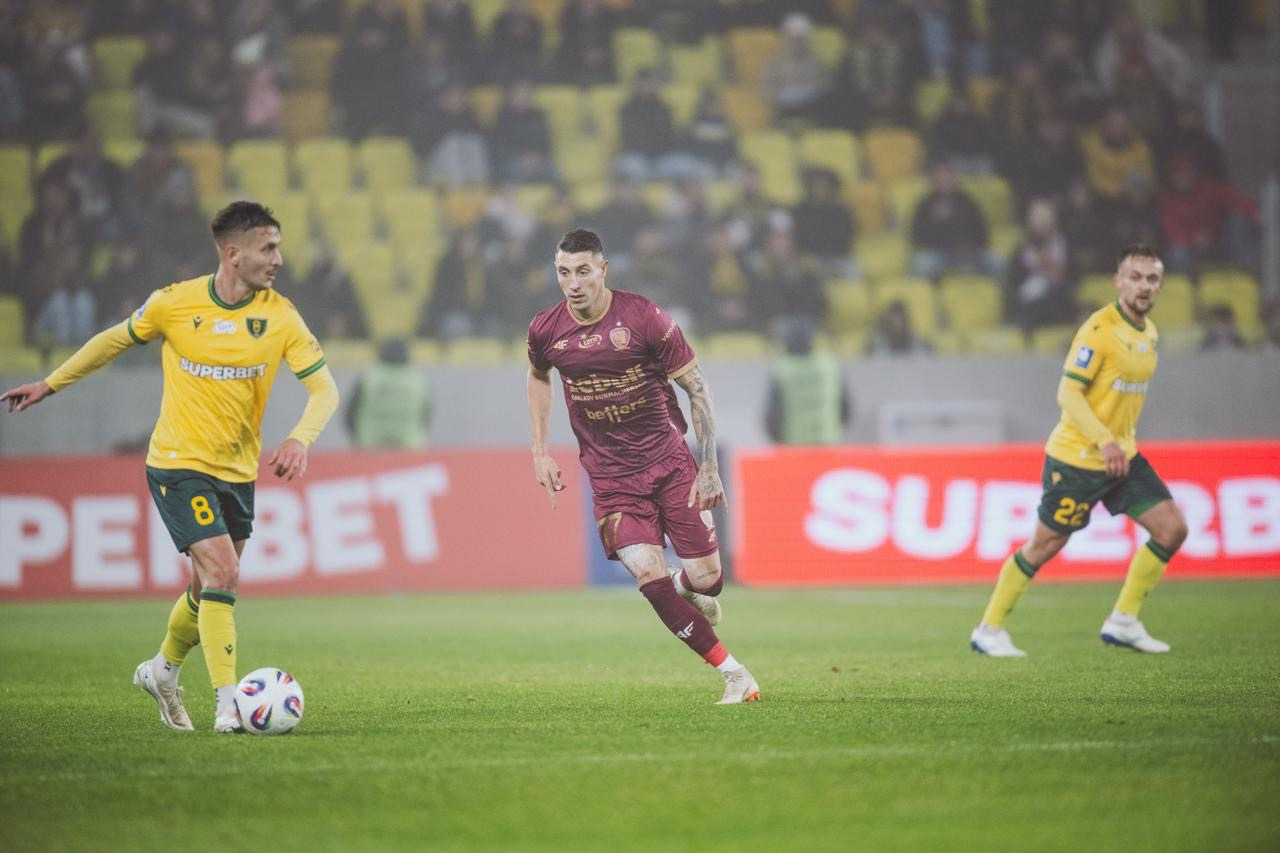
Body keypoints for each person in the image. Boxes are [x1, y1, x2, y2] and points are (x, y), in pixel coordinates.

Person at [1, 201, 340, 731]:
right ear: (233, 253)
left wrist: (301, 437)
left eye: (278, 247)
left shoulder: (280, 316)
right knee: (224, 572)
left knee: (208, 587)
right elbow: (113, 340)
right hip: (177, 464)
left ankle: (162, 671)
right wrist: (51, 383)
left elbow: (324, 389)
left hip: (237, 471)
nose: (279, 258)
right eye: (268, 248)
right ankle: (229, 704)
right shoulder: (175, 303)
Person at [526, 229, 760, 704]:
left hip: (669, 463)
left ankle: (684, 585)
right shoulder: (546, 329)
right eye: (564, 273)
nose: (573, 283)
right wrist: (540, 450)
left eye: (583, 271)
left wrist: (708, 466)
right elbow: (538, 376)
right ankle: (735, 674)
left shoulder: (643, 317)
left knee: (709, 581)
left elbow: (697, 388)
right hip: (612, 479)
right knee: (649, 580)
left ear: (603, 269)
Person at [970, 244, 1188, 657]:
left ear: (1160, 285)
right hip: (1077, 460)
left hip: (1122, 458)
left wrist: (1116, 444)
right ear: (1118, 281)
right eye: (1135, 277)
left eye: (1152, 279)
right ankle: (989, 630)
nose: (1144, 286)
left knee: (1172, 528)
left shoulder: (1149, 333)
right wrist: (1105, 440)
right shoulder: (1099, 330)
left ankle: (1123, 621)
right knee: (1045, 545)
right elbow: (1068, 393)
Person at [764, 315, 850, 445]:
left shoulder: (782, 370)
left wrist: (779, 441)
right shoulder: (829, 365)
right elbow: (845, 409)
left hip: (795, 446)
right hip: (828, 443)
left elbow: (772, 416)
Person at [346, 338, 431, 449]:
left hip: (370, 447)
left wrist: (357, 437)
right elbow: (425, 417)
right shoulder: (418, 381)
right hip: (409, 447)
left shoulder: (368, 377)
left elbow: (350, 414)